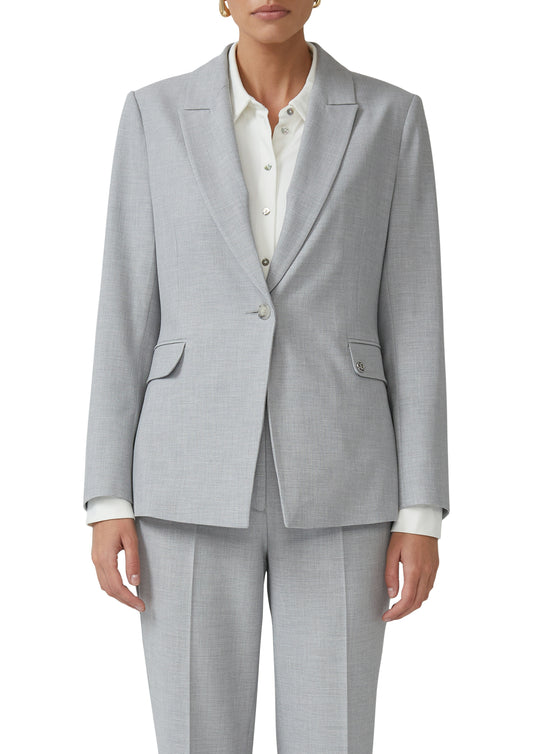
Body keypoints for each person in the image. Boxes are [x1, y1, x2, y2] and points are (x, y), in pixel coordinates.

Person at [84, 1, 450, 752]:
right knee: (196, 736)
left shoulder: (390, 118)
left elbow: (415, 318)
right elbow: (125, 306)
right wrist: (107, 494)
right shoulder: (154, 115)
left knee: (332, 734)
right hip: (184, 476)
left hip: (344, 475)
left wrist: (420, 510)